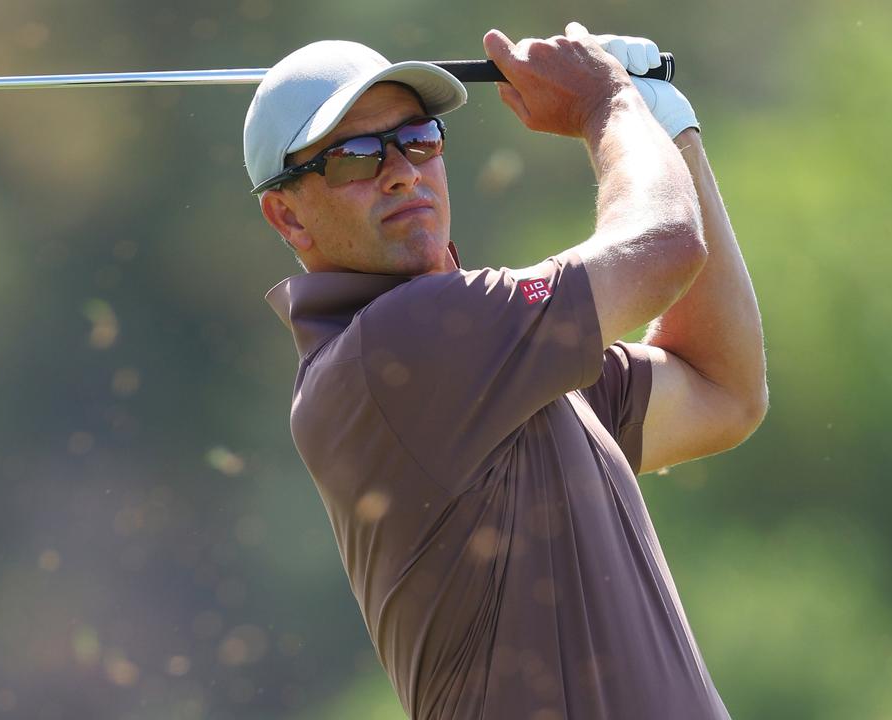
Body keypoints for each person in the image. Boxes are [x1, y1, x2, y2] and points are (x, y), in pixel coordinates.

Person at [244, 21, 767, 720]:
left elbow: (721, 389)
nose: (401, 169)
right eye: (353, 157)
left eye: (418, 139)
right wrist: (609, 107)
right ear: (288, 217)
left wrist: (667, 127)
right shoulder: (399, 346)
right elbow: (664, 246)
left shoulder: (497, 362)